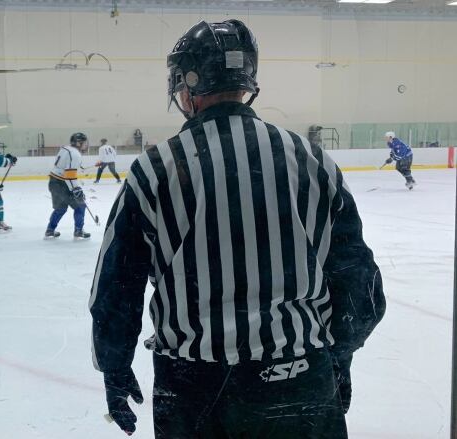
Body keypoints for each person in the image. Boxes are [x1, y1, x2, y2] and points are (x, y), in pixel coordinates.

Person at [89, 19, 385, 439]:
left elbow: (117, 286)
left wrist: (114, 367)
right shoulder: (313, 161)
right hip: (299, 376)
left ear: (186, 87)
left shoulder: (155, 170)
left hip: (195, 388)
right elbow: (359, 280)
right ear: (248, 81)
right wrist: (339, 355)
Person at [45, 132, 90, 239]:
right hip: (62, 184)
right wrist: (76, 189)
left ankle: (50, 230)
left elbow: (66, 167)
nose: (85, 144)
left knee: (60, 208)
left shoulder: (66, 148)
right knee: (80, 205)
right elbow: (69, 175)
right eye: (84, 142)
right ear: (79, 143)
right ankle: (78, 231)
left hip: (54, 181)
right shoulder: (75, 154)